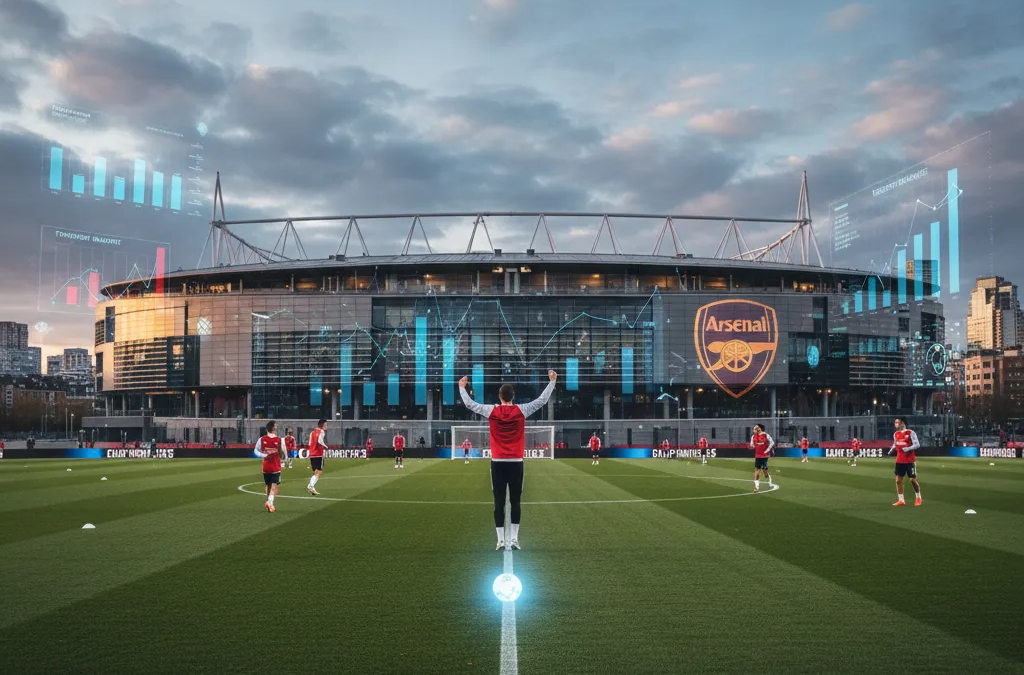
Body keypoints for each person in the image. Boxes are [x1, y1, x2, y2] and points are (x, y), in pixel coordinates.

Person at [459, 370, 557, 551]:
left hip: (497, 462)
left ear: (499, 396)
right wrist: (552, 382)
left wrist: (461, 387)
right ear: (513, 396)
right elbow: (542, 401)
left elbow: (469, 404)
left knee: (498, 502)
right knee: (516, 501)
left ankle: (500, 541)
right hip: (516, 462)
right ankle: (514, 539)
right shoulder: (521, 410)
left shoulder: (492, 410)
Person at [889, 418, 922, 506]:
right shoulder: (896, 434)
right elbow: (895, 444)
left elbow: (917, 444)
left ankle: (918, 497)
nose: (896, 424)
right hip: (899, 460)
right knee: (898, 481)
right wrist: (891, 451)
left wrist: (908, 448)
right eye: (895, 422)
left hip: (909, 460)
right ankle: (901, 500)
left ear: (902, 423)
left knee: (912, 480)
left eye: (897, 422)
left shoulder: (910, 432)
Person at [254, 421, 283, 513]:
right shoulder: (278, 440)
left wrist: (263, 455)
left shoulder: (261, 439)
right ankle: (270, 502)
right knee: (274, 486)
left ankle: (270, 505)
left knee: (268, 486)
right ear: (274, 428)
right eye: (276, 426)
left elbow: (255, 451)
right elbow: (282, 453)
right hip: (275, 466)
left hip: (266, 467)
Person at [750, 424, 774, 493]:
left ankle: (769, 479)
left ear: (760, 428)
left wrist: (767, 450)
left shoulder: (765, 435)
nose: (755, 428)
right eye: (755, 427)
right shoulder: (753, 436)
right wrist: (752, 446)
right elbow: (752, 445)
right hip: (758, 456)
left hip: (765, 456)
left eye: (757, 427)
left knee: (764, 471)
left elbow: (772, 442)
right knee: (757, 470)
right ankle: (756, 487)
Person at [307, 419, 327, 496]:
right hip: (318, 454)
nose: (326, 426)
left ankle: (312, 488)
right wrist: (325, 446)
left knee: (315, 471)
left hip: (312, 453)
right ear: (322, 425)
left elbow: (309, 443)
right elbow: (320, 441)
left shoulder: (312, 433)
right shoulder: (321, 432)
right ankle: (310, 486)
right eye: (325, 425)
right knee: (319, 471)